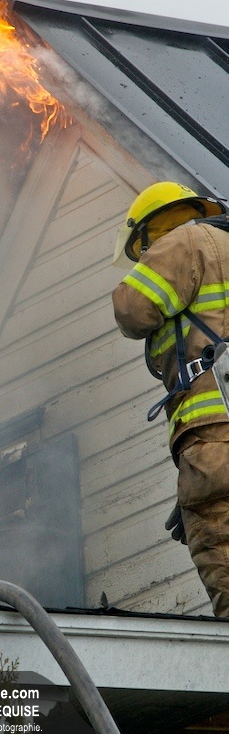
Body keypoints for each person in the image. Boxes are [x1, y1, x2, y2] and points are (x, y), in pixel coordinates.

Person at [112, 181, 229, 618]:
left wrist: (204, 493)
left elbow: (131, 309)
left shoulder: (184, 242)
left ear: (152, 230)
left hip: (214, 440)